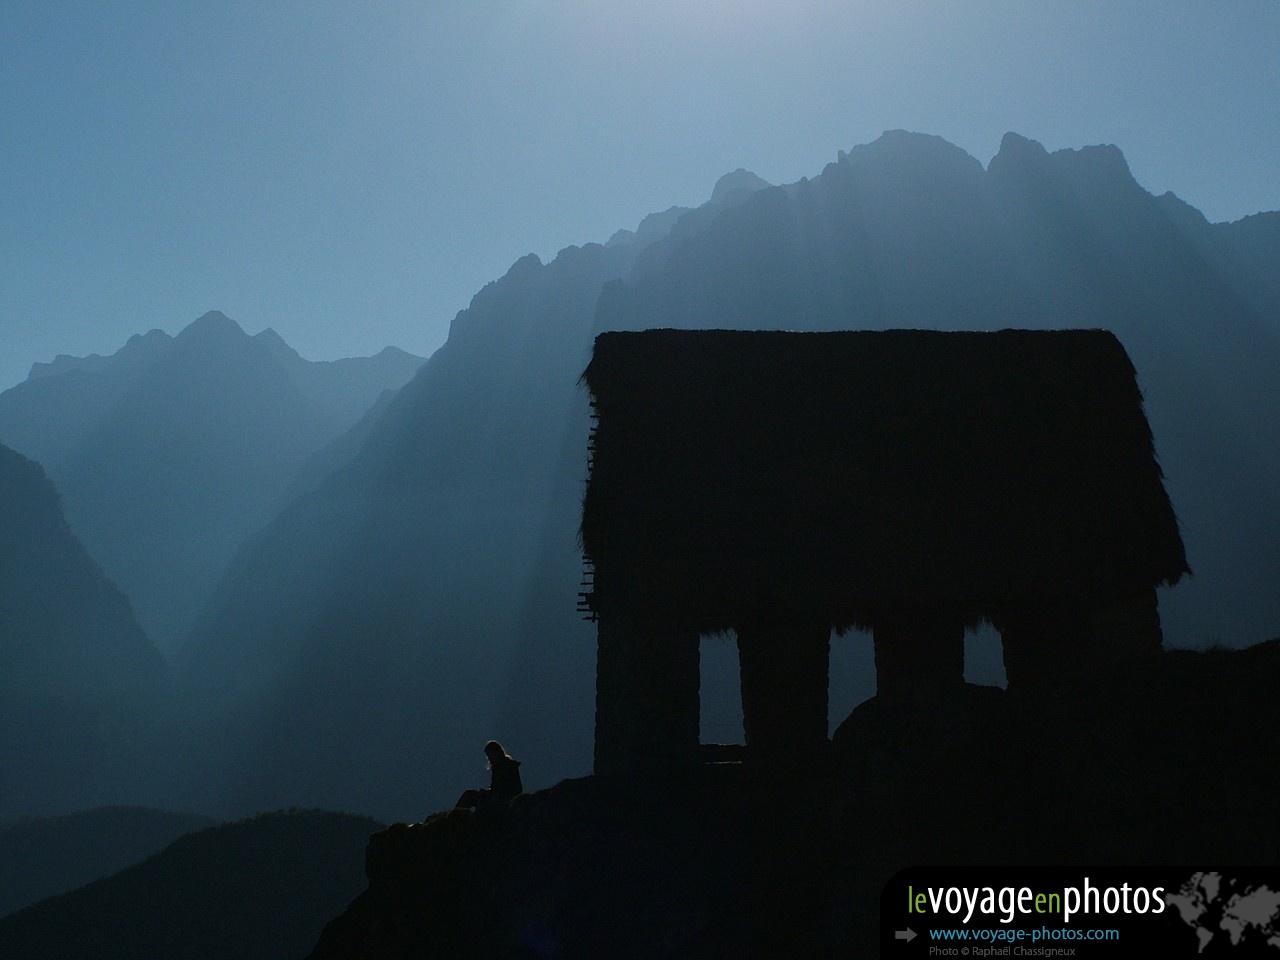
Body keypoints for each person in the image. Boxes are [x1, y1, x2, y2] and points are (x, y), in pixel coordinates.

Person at [455, 740, 523, 810]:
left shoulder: (510, 766)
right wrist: (488, 792)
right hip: (494, 797)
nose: (489, 759)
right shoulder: (497, 768)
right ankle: (456, 814)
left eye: (490, 755)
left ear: (497, 753)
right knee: (469, 794)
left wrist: (491, 793)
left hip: (502, 800)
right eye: (488, 756)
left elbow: (516, 789)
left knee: (473, 798)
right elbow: (494, 787)